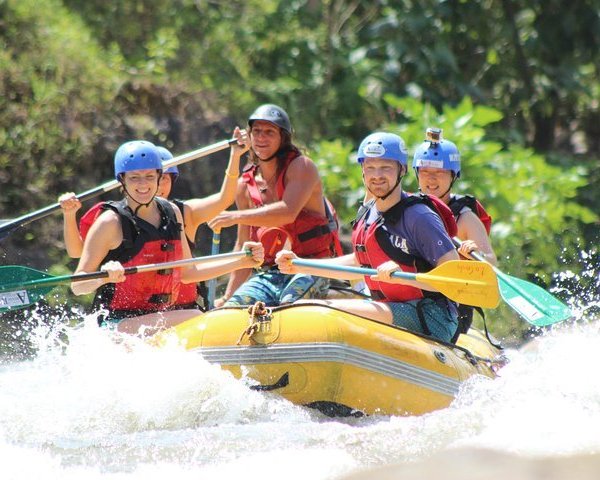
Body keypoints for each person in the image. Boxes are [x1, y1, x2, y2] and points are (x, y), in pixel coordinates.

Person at [276, 132, 460, 343]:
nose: (377, 175)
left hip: (429, 316)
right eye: (370, 168)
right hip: (390, 306)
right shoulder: (368, 213)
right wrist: (299, 265)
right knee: (304, 308)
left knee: (322, 311)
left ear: (402, 170)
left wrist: (403, 275)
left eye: (386, 168)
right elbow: (358, 260)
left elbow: (453, 278)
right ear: (362, 172)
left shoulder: (419, 217)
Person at [70, 140, 263, 336]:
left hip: (160, 319)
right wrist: (103, 276)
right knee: (196, 317)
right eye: (134, 177)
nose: (143, 184)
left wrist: (241, 260)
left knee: (199, 317)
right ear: (122, 180)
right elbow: (77, 286)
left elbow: (188, 272)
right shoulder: (109, 223)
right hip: (116, 324)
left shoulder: (172, 213)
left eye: (149, 177)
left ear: (159, 177)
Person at [208, 104, 342, 307]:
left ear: (283, 138)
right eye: (257, 132)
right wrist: (227, 297)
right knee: (231, 309)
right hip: (271, 274)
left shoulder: (302, 167)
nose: (261, 138)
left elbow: (287, 212)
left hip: (311, 266)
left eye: (269, 132)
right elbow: (243, 246)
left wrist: (235, 216)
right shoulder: (245, 185)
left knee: (289, 304)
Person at [413, 127, 496, 336]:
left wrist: (476, 254)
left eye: (439, 172)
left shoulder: (466, 218)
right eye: (425, 172)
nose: (431, 179)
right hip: (416, 295)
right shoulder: (409, 209)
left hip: (454, 306)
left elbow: (491, 261)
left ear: (453, 176)